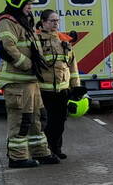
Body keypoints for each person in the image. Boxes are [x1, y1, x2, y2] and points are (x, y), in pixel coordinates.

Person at [0, 0, 57, 168]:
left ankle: (40, 152)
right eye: (28, 3)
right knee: (21, 120)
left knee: (37, 118)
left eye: (31, 4)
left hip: (30, 82)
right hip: (17, 82)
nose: (30, 7)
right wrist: (28, 65)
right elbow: (7, 48)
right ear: (16, 2)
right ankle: (18, 157)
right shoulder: (7, 22)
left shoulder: (23, 21)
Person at [35, 10, 84, 159]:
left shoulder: (63, 40)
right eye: (52, 21)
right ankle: (47, 150)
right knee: (46, 124)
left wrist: (75, 85)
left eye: (57, 20)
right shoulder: (37, 39)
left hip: (62, 90)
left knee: (60, 123)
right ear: (43, 22)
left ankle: (57, 148)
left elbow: (72, 64)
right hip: (44, 90)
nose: (55, 23)